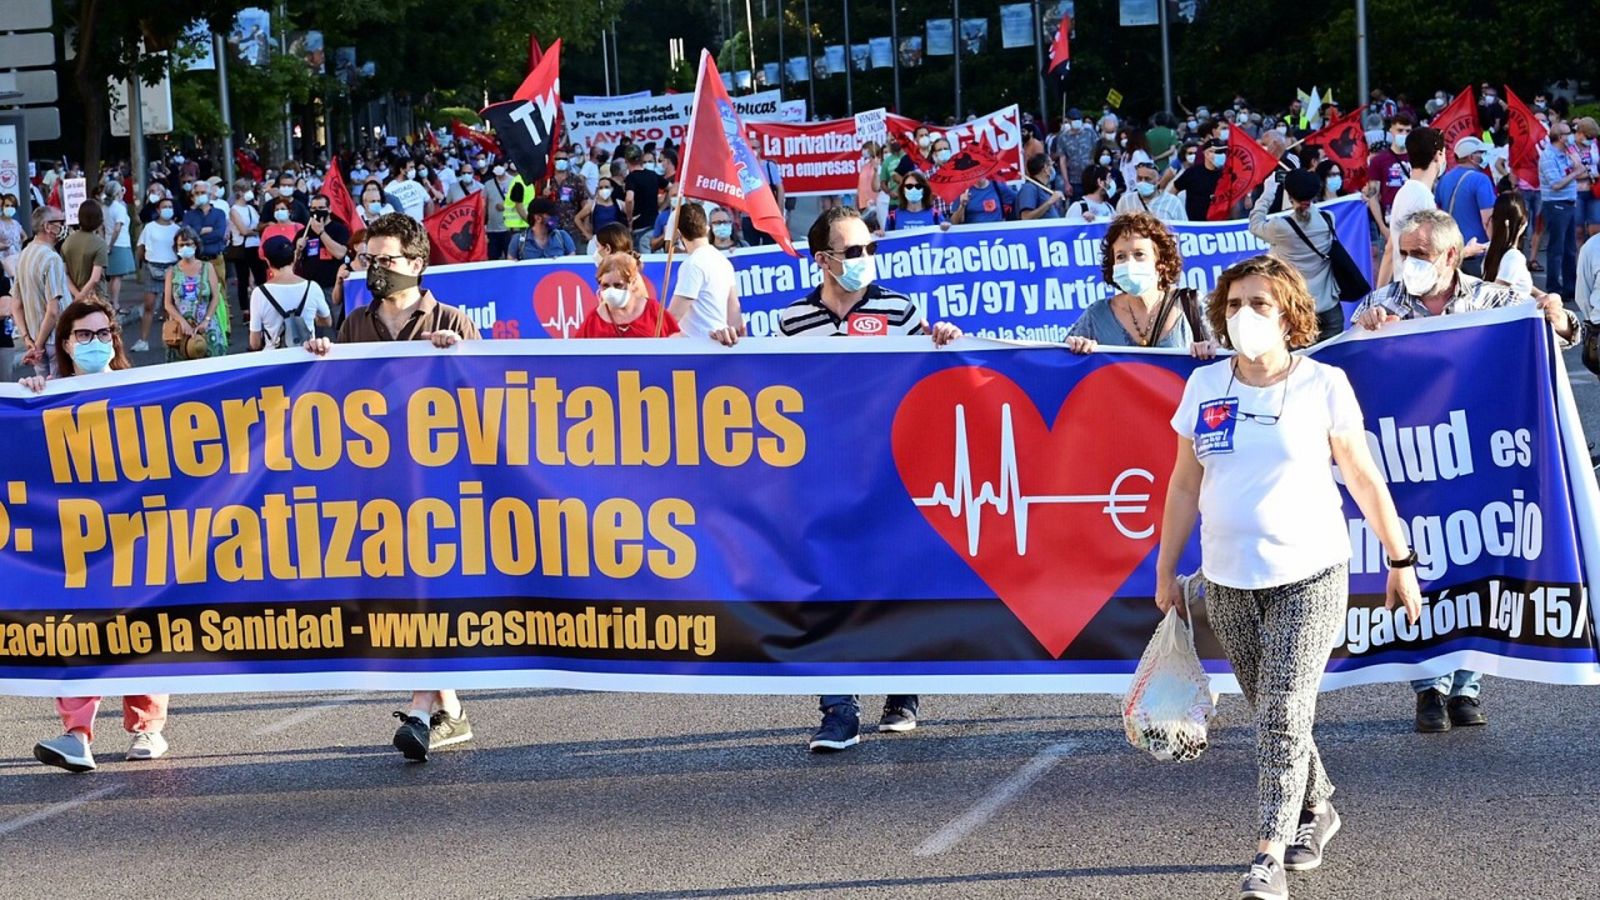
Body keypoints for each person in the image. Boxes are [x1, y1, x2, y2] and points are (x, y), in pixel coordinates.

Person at [1156, 254, 1422, 900]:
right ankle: (1318, 802)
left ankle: (1267, 854)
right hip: (1227, 579)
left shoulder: (1323, 384)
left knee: (1280, 712)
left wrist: (1400, 561)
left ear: (1289, 315)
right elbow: (1185, 484)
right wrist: (1166, 570)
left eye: (1260, 304)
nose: (1245, 315)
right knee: (1277, 710)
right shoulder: (1205, 387)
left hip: (1310, 573)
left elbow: (1362, 477)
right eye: (1235, 304)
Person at [777, 206, 960, 752]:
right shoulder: (792, 322)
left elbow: (928, 373)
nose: (866, 259)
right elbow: (766, 385)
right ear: (823, 260)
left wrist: (943, 339)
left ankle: (903, 689)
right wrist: (725, 342)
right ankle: (838, 710)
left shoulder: (899, 310)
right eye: (853, 251)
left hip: (890, 472)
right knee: (827, 586)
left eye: (870, 249)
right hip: (822, 475)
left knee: (896, 581)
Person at [303, 213, 481, 763]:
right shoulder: (355, 324)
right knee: (404, 596)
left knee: (429, 592)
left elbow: (489, 395)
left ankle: (421, 711)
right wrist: (318, 362)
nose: (375, 269)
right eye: (369, 260)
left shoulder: (451, 319)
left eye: (386, 260)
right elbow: (337, 398)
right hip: (379, 488)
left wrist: (458, 355)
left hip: (439, 488)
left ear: (417, 263)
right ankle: (449, 711)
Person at [21, 299, 166, 772]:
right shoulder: (49, 396)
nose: (96, 342)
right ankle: (76, 735)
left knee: (140, 628)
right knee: (78, 629)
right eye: (84, 335)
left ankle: (147, 729)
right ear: (65, 343)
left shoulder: (143, 390)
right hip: (75, 539)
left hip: (136, 534)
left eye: (104, 333)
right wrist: (28, 397)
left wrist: (311, 358)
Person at [1064, 211, 1211, 355]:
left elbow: (1222, 354)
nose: (1129, 263)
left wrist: (1210, 349)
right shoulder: (1097, 316)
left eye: (1139, 254)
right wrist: (1076, 346)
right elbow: (1060, 359)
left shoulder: (1192, 305)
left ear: (1161, 262)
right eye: (1121, 256)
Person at [1250, 170, 1344, 341]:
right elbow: (1308, 213)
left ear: (1289, 196)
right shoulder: (1328, 219)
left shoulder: (1280, 227)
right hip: (1329, 308)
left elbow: (1255, 224)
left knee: (1298, 358)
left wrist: (1269, 192)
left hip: (1297, 310)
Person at [1377, 126, 1447, 285]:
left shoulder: (1404, 192)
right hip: (1417, 288)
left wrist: (1379, 293)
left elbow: (1390, 249)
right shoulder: (1422, 198)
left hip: (1404, 286)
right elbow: (1428, 254)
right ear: (1438, 156)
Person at [666, 202, 741, 342]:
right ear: (707, 228)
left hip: (697, 345)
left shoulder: (692, 264)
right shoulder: (723, 261)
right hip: (720, 343)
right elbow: (734, 313)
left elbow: (674, 316)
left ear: (679, 234)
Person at [13, 206, 70, 377]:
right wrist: (38, 345)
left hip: (34, 337)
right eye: (60, 222)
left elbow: (16, 304)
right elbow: (53, 310)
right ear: (47, 226)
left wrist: (27, 339)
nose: (63, 227)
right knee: (61, 389)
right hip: (56, 338)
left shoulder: (24, 254)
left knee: (42, 387)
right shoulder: (52, 259)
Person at [250, 236, 331, 349]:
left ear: (267, 261)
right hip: (307, 353)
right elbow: (327, 322)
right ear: (294, 256)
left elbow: (255, 343)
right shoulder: (312, 287)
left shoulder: (259, 293)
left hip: (275, 355)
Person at [578, 251, 682, 338]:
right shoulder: (593, 320)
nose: (611, 290)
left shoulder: (653, 311)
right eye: (605, 285)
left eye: (618, 285)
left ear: (633, 283)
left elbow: (675, 343)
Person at [1433, 137, 1497, 277]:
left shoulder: (1445, 178)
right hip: (1477, 250)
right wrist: (1497, 247)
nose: (1484, 156)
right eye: (1481, 153)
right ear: (1471, 157)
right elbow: (1488, 219)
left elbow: (1438, 210)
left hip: (1452, 249)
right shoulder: (1481, 180)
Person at [164, 227, 227, 361]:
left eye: (188, 244)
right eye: (181, 245)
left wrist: (206, 320)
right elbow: (168, 304)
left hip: (206, 326)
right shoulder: (172, 272)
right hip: (181, 329)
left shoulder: (207, 267)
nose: (185, 247)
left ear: (196, 245)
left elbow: (215, 297)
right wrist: (182, 322)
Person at [1539, 121, 1583, 300]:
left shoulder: (1566, 153)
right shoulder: (1548, 156)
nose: (1571, 136)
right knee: (1556, 248)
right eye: (1567, 133)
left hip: (1569, 203)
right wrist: (1576, 172)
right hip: (1556, 204)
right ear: (1559, 137)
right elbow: (1556, 184)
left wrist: (1576, 162)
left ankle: (1570, 288)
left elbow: (1578, 169)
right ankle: (1554, 288)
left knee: (1570, 249)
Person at [132, 195, 180, 352]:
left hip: (171, 267)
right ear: (158, 210)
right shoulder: (150, 227)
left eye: (170, 207)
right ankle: (143, 340)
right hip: (152, 267)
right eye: (164, 207)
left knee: (169, 307)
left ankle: (169, 339)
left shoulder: (177, 229)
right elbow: (141, 248)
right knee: (149, 305)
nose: (168, 210)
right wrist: (141, 264)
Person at [1483, 192, 1539, 297]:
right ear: (1524, 222)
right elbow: (1496, 292)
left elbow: (1516, 281)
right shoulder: (1514, 257)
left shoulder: (1491, 249)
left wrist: (1541, 295)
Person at [227, 178, 265, 319]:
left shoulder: (251, 209)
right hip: (242, 248)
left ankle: (262, 306)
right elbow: (243, 230)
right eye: (247, 190)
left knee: (261, 277)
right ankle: (245, 310)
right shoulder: (234, 210)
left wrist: (255, 230)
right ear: (240, 192)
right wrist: (255, 231)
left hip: (255, 246)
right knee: (242, 279)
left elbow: (259, 224)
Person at [60, 200, 108, 305]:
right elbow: (95, 278)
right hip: (95, 297)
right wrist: (82, 295)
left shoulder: (67, 242)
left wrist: (77, 295)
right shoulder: (100, 244)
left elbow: (65, 274)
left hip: (72, 296)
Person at [181, 182, 229, 287]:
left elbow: (219, 234)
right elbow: (186, 236)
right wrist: (203, 231)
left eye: (203, 192)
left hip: (215, 260)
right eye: (197, 193)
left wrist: (196, 236)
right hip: (195, 261)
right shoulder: (189, 215)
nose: (200, 195)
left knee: (219, 292)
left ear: (209, 194)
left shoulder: (219, 213)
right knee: (196, 292)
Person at [1173, 139, 1227, 221]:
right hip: (1195, 225)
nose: (1221, 155)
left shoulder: (1227, 174)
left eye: (1223, 152)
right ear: (1206, 153)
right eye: (1217, 152)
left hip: (1220, 224)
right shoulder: (1192, 173)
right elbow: (1172, 192)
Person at [1117, 161, 1187, 222]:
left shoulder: (1173, 202)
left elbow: (1184, 228)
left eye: (1147, 179)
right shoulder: (1125, 201)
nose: (1143, 182)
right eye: (1139, 178)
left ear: (1158, 180)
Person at [550, 147, 592, 247]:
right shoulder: (547, 181)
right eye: (558, 159)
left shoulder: (575, 180)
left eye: (564, 159)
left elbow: (584, 204)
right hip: (551, 227)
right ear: (553, 161)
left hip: (572, 228)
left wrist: (586, 225)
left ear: (568, 161)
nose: (561, 161)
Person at [101, 182, 135, 307]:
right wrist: (111, 244)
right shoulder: (119, 208)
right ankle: (115, 302)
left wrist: (105, 242)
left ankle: (111, 300)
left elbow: (102, 227)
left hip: (108, 241)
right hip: (119, 243)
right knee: (117, 276)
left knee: (112, 275)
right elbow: (117, 228)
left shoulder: (105, 207)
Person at [623, 146, 663, 249]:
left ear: (626, 161)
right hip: (655, 224)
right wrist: (662, 207)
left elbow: (629, 199)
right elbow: (672, 188)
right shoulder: (652, 175)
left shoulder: (631, 178)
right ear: (641, 158)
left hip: (640, 226)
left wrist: (629, 218)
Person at [576, 177, 625, 248]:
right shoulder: (592, 205)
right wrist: (586, 234)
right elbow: (577, 218)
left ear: (612, 189)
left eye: (606, 187)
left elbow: (631, 214)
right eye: (601, 188)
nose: (604, 190)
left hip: (616, 241)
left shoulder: (619, 204)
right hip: (597, 243)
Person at [1016, 153, 1066, 220]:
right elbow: (1026, 217)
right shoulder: (1029, 188)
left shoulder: (1042, 188)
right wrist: (1050, 202)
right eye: (1051, 165)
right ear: (1045, 168)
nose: (1053, 168)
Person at [482, 162, 515, 260]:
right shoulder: (488, 185)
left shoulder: (514, 182)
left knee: (510, 257)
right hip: (493, 229)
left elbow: (521, 202)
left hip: (510, 229)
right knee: (493, 257)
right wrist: (483, 225)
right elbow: (484, 205)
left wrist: (506, 205)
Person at [0, 193, 25, 275]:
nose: (10, 208)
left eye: (12, 206)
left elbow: (25, 237)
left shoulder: (16, 223)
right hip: (3, 263)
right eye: (7, 205)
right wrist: (4, 246)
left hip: (18, 260)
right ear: (2, 206)